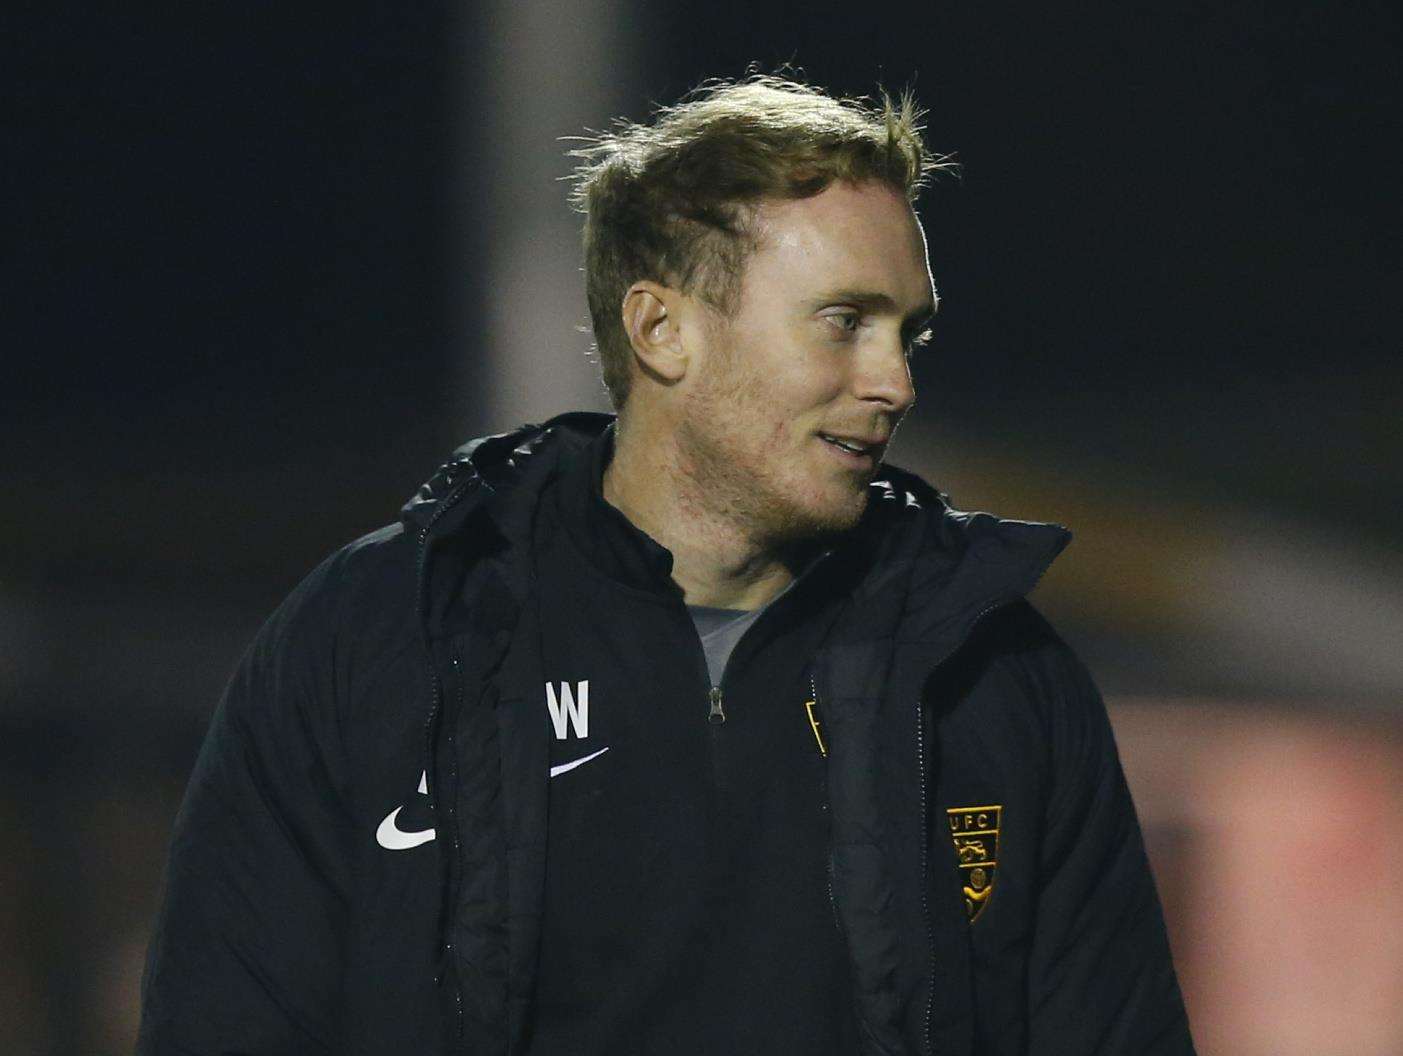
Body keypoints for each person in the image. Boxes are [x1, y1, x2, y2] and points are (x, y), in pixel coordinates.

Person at [138, 74, 1196, 1055]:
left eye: (905, 333)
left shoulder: (993, 670)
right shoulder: (377, 634)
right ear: (660, 329)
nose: (893, 382)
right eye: (843, 323)